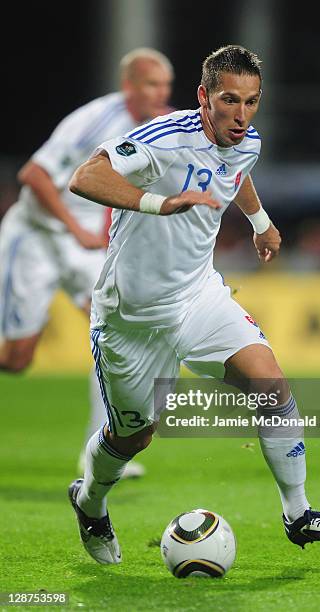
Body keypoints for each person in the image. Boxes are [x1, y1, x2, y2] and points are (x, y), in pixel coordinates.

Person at [67, 45, 320, 565]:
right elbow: (85, 176)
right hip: (131, 317)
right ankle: (90, 503)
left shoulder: (246, 141)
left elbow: (235, 172)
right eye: (230, 101)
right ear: (204, 97)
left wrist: (261, 221)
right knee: (132, 438)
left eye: (252, 102)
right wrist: (162, 202)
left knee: (269, 382)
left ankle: (298, 513)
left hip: (198, 296)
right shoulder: (164, 139)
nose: (242, 115)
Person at [0, 47, 174, 478]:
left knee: (115, 337)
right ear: (129, 86)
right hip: (38, 238)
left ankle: (98, 452)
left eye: (166, 85)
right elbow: (33, 175)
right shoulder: (93, 121)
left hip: (87, 248)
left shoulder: (160, 125)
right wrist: (75, 229)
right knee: (16, 360)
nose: (161, 93)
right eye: (152, 84)